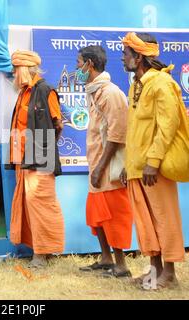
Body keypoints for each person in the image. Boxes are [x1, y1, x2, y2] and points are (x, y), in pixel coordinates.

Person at [121, 32, 187, 289]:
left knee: (163, 218)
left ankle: (169, 275)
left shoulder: (162, 83)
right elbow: (135, 129)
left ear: (139, 57)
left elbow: (167, 126)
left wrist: (153, 161)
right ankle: (154, 271)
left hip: (154, 168)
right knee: (146, 223)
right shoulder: (136, 84)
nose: (123, 57)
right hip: (137, 168)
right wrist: (129, 164)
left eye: (126, 53)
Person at [75, 46, 133, 278]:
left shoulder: (111, 93)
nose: (77, 68)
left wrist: (100, 168)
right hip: (97, 165)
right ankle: (106, 259)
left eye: (79, 63)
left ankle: (122, 266)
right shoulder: (94, 91)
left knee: (114, 216)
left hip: (109, 168)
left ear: (89, 64)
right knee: (96, 215)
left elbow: (118, 134)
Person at [6, 50, 64, 268]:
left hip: (39, 159)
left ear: (24, 70)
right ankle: (37, 251)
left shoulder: (45, 90)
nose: (13, 73)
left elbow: (58, 124)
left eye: (14, 69)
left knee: (42, 205)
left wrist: (44, 150)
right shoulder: (24, 92)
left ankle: (42, 254)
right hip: (23, 160)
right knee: (29, 205)